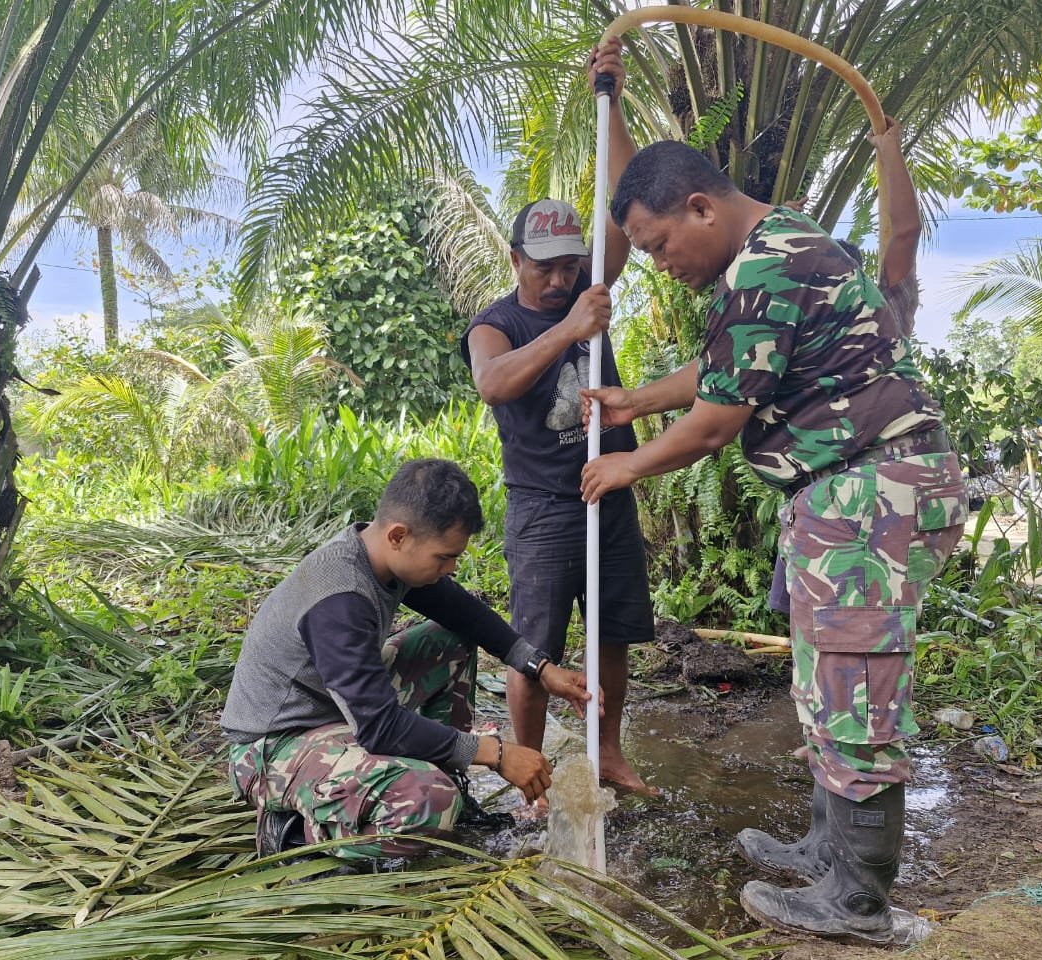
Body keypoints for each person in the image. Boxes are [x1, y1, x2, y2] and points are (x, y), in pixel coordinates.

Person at [578, 141, 967, 945]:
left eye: (657, 246)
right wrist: (635, 401)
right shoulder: (773, 252)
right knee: (825, 683)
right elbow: (722, 372)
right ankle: (830, 850)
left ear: (701, 208)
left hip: (871, 494)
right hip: (848, 495)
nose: (659, 264)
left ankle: (859, 902)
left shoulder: (766, 264)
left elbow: (717, 422)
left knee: (854, 695)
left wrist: (629, 465)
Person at [220, 458, 598, 864]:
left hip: (335, 711)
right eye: (444, 557)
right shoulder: (339, 597)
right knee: (428, 800)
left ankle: (442, 778)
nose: (450, 568)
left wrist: (539, 668)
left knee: (449, 641)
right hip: (272, 746)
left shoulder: (381, 554)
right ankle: (300, 836)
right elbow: (379, 726)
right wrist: (496, 753)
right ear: (399, 535)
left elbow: (464, 614)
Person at [460, 38, 653, 806]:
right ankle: (531, 765)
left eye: (570, 260)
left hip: (609, 487)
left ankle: (607, 752)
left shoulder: (593, 280)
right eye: (543, 262)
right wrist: (570, 328)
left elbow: (631, 196)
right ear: (516, 258)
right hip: (541, 505)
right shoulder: (496, 323)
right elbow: (493, 383)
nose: (560, 273)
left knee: (614, 632)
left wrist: (612, 95)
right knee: (532, 646)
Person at [768, 115, 923, 617]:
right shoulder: (794, 316)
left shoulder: (883, 306)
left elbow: (903, 231)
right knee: (813, 629)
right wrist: (772, 227)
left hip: (872, 485)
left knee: (865, 626)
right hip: (812, 492)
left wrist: (887, 150)